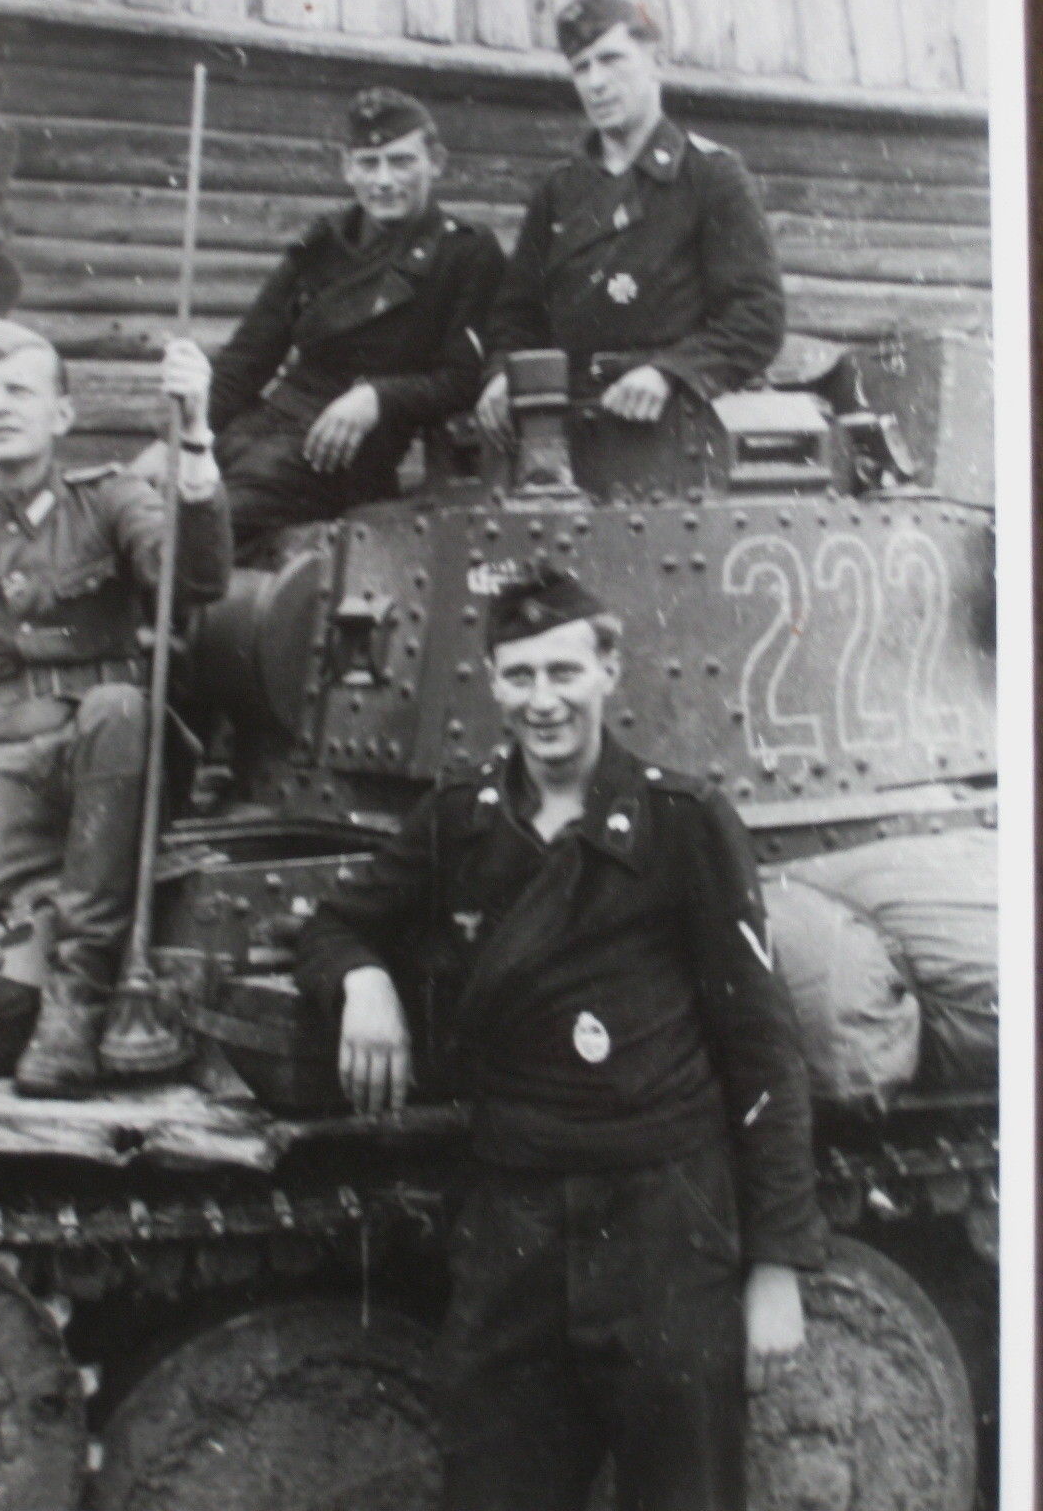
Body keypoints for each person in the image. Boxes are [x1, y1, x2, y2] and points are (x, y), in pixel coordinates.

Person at [297, 562, 826, 1511]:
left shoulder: (682, 822)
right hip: (516, 1227)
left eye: (564, 672)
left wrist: (777, 1266)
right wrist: (362, 979)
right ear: (494, 686)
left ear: (608, 671)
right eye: (521, 676)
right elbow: (335, 924)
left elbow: (762, 1047)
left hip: (665, 1221)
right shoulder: (460, 820)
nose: (543, 701)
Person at [0, 305, 232, 1097]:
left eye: (20, 392)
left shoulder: (111, 499)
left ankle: (76, 998)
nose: (0, 406)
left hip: (113, 759)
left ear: (61, 415)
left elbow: (197, 580)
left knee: (119, 707)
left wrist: (196, 439)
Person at [168, 86, 503, 563]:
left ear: (436, 162)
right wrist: (172, 442)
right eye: (369, 163)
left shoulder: (465, 253)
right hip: (262, 436)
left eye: (401, 162)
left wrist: (378, 397)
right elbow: (247, 358)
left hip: (340, 456)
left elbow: (463, 379)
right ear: (347, 167)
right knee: (146, 504)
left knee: (197, 528)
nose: (383, 181)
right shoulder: (324, 242)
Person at [477, 0, 785, 483]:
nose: (595, 82)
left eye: (611, 60)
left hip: (675, 435)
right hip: (564, 438)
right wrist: (500, 374)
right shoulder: (560, 190)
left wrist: (670, 372)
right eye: (581, 67)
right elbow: (516, 316)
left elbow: (757, 317)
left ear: (656, 61)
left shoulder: (709, 176)